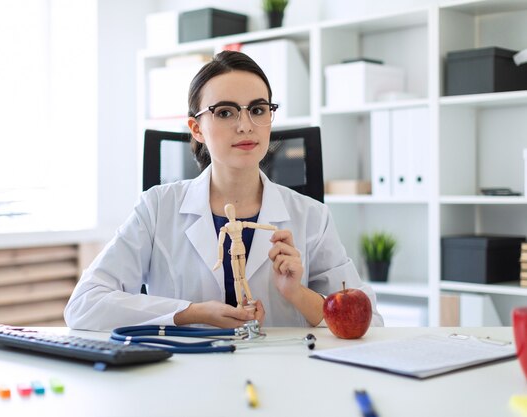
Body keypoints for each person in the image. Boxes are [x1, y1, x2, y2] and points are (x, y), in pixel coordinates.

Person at [64, 50, 384, 330]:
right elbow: (84, 305)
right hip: (184, 375)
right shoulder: (156, 208)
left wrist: (296, 293)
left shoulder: (312, 216)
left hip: (282, 380)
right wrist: (191, 313)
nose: (245, 125)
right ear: (196, 128)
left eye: (258, 110)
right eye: (225, 112)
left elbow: (368, 322)